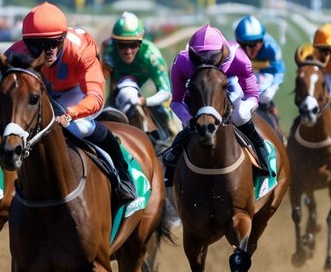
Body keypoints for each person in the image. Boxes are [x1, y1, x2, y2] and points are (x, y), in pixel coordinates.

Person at [4, 2, 137, 205]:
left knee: (77, 128)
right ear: (26, 42)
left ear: (64, 37)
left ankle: (123, 175)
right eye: (39, 45)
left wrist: (71, 113)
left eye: (54, 43)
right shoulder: (15, 54)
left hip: (76, 92)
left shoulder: (81, 48)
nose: (48, 51)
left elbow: (96, 97)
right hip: (42, 94)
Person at [159, 24, 270, 186]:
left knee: (240, 115)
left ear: (222, 54)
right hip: (198, 102)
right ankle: (171, 171)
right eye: (201, 58)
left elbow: (252, 93)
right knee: (187, 130)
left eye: (212, 57)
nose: (207, 60)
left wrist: (242, 111)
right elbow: (176, 101)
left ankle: (262, 153)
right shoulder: (182, 61)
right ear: (193, 55)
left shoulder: (238, 57)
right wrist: (189, 120)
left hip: (231, 95)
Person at [101, 12, 175, 145]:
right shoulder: (108, 48)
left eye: (133, 44)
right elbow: (99, 82)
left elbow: (165, 92)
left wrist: (144, 101)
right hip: (120, 85)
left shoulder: (152, 56)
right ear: (114, 43)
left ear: (141, 43)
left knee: (166, 113)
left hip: (141, 89)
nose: (128, 51)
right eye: (122, 45)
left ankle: (170, 140)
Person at [233, 15, 284, 121]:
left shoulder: (271, 48)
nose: (247, 50)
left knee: (265, 96)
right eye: (243, 44)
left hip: (265, 73)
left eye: (252, 45)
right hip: (246, 73)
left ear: (261, 41)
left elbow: (279, 71)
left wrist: (274, 87)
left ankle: (270, 109)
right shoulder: (234, 48)